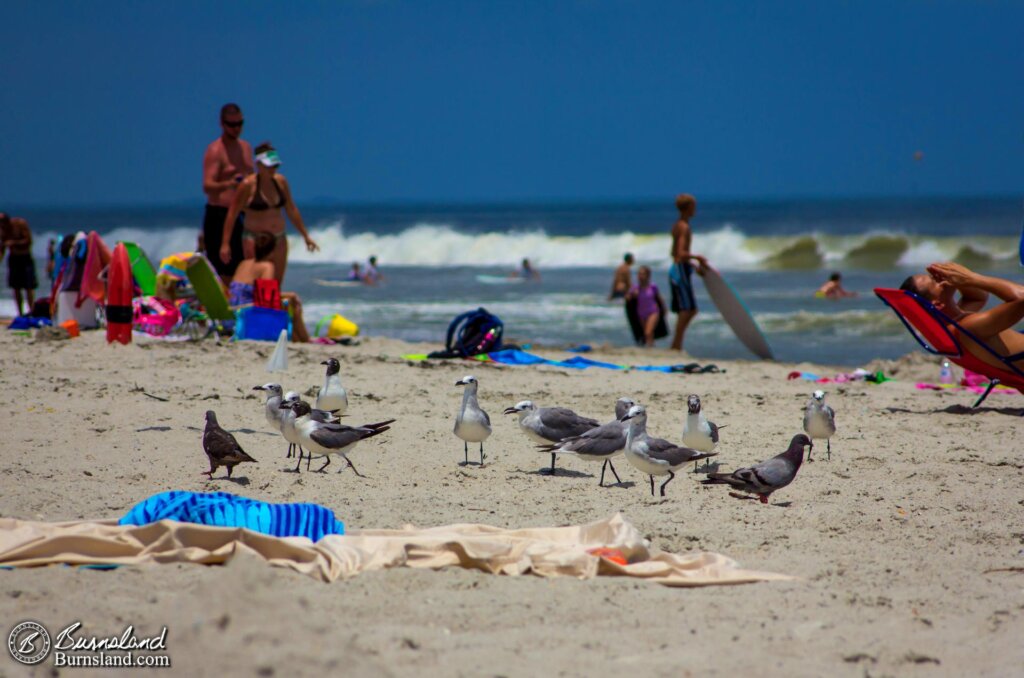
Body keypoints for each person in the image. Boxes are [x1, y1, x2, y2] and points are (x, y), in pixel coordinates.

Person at [220, 142, 318, 286]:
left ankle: (273, 307)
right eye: (269, 166)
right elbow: (232, 213)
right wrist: (225, 244)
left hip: (279, 239)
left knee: (276, 283)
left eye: (275, 165)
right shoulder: (248, 185)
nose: (273, 169)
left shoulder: (281, 182)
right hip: (255, 240)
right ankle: (257, 307)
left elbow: (291, 209)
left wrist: (305, 236)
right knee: (259, 282)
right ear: (258, 164)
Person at [900, 262, 1024, 371]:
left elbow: (977, 297)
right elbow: (1021, 298)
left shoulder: (951, 326)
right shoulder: (969, 327)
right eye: (934, 281)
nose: (938, 278)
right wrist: (974, 278)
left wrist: (959, 278)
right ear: (937, 304)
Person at [203, 103, 253, 282]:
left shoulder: (246, 148)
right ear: (222, 124)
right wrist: (229, 183)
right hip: (220, 214)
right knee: (221, 266)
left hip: (242, 214)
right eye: (231, 125)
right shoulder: (216, 150)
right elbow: (207, 185)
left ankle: (238, 301)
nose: (236, 128)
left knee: (244, 264)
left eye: (240, 123)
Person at [229, 232, 310, 342]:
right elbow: (266, 296)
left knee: (288, 303)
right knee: (292, 303)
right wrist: (291, 295)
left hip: (230, 315)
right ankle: (306, 340)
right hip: (246, 315)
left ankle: (299, 339)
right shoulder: (267, 266)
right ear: (273, 251)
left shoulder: (243, 263)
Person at [669, 194, 708, 351]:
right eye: (693, 205)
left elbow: (675, 254)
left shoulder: (678, 225)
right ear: (688, 207)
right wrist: (697, 258)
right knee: (687, 310)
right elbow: (679, 253)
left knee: (688, 309)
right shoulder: (684, 227)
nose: (695, 209)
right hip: (680, 270)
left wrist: (693, 266)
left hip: (680, 269)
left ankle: (676, 345)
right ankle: (676, 345)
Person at [0, 214, 38, 316]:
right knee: (16, 287)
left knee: (29, 286)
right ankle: (20, 313)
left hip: (25, 257)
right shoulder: (3, 230)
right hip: (13, 259)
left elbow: (29, 241)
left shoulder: (20, 224)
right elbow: (2, 247)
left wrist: (14, 243)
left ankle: (32, 311)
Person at [625, 266, 666, 347]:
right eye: (639, 274)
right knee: (646, 334)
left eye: (642, 274)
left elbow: (659, 299)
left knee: (648, 332)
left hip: (653, 311)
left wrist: (663, 310)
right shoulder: (635, 288)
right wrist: (632, 295)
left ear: (648, 275)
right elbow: (627, 298)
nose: (640, 276)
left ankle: (649, 348)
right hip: (641, 313)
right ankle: (651, 347)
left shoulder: (653, 287)